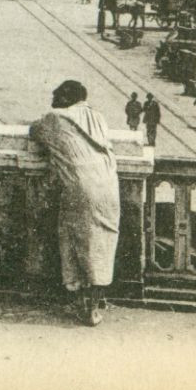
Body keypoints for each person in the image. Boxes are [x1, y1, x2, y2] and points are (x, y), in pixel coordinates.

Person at [28, 79, 121, 326]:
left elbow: (35, 131)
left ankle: (85, 305)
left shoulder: (55, 117)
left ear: (64, 98)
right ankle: (95, 304)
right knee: (102, 242)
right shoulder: (97, 117)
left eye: (56, 96)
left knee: (76, 240)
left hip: (81, 186)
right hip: (110, 185)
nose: (52, 100)